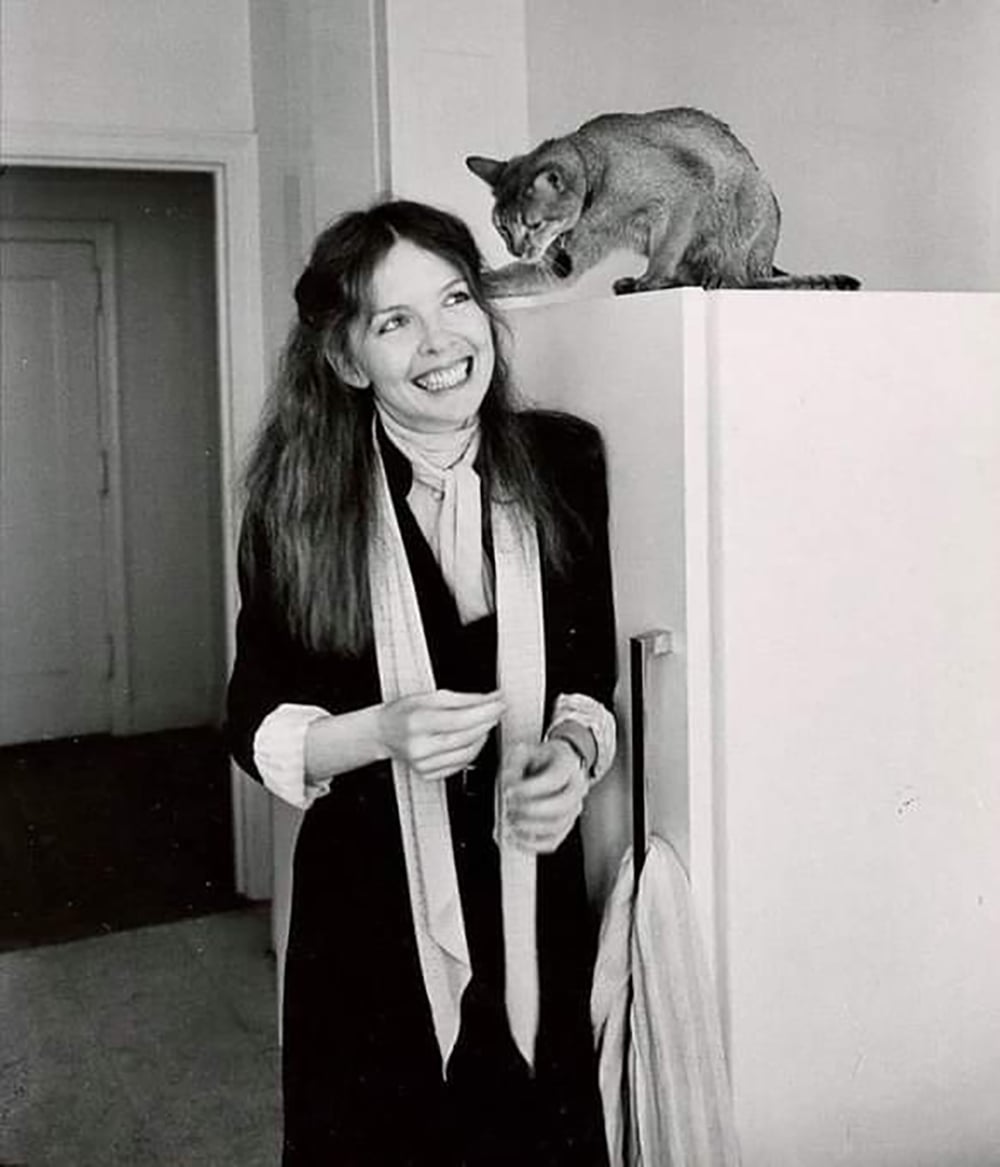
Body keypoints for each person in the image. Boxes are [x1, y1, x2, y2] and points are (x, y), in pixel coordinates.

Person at [226, 198, 617, 1166]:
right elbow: (257, 721)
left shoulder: (566, 463)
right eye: (394, 320)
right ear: (349, 359)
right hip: (369, 908)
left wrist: (571, 754)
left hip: (533, 886)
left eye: (455, 300)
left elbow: (587, 674)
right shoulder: (296, 505)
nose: (442, 342)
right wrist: (380, 734)